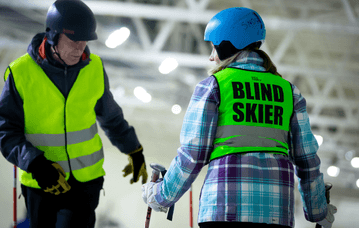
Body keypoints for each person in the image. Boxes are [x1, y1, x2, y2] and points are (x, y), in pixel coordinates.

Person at [142, 7, 337, 228]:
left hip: (224, 209)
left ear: (227, 44)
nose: (211, 56)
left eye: (214, 47)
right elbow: (307, 160)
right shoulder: (288, 91)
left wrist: (160, 196)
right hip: (277, 213)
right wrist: (318, 211)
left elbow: (193, 154)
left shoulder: (215, 85)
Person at [0, 0, 148, 227]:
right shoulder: (21, 72)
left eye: (85, 40)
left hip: (86, 182)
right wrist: (35, 164)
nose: (80, 47)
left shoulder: (93, 67)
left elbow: (111, 117)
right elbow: (4, 130)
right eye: (74, 40)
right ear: (53, 36)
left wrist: (134, 149)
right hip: (42, 182)